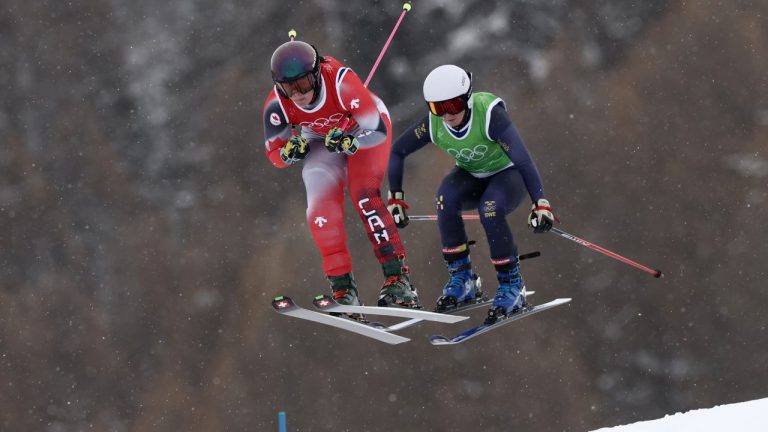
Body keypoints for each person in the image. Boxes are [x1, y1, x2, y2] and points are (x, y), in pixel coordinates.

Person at [386, 64, 556, 323]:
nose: (447, 115)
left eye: (453, 105)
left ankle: (512, 286)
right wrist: (396, 197)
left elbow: (523, 161)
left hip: (509, 175)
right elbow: (398, 151)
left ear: (466, 97)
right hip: (472, 176)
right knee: (445, 198)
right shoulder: (434, 124)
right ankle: (463, 280)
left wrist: (540, 203)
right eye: (437, 108)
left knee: (489, 208)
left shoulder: (489, 114)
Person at [262, 40, 420, 309]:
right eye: (289, 88)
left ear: (316, 74)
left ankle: (398, 280)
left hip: (363, 132)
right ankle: (343, 289)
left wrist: (351, 142)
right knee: (319, 210)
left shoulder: (341, 82)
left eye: (303, 84)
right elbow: (275, 156)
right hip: (319, 139)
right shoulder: (277, 105)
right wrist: (290, 151)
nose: (298, 94)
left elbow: (377, 130)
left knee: (364, 197)